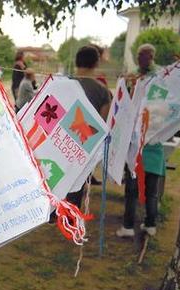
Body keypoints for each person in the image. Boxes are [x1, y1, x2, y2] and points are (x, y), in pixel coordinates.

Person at [116, 43, 165, 239]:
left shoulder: (160, 77)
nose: (140, 59)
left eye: (143, 56)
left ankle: (149, 223)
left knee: (149, 190)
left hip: (150, 143)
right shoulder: (134, 75)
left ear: (151, 56)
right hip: (137, 145)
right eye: (138, 55)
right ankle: (129, 226)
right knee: (133, 190)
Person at [66, 45, 111, 208]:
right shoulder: (102, 91)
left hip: (60, 140)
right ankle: (71, 215)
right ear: (96, 63)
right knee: (78, 183)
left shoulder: (63, 84)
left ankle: (52, 212)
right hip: (84, 145)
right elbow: (102, 123)